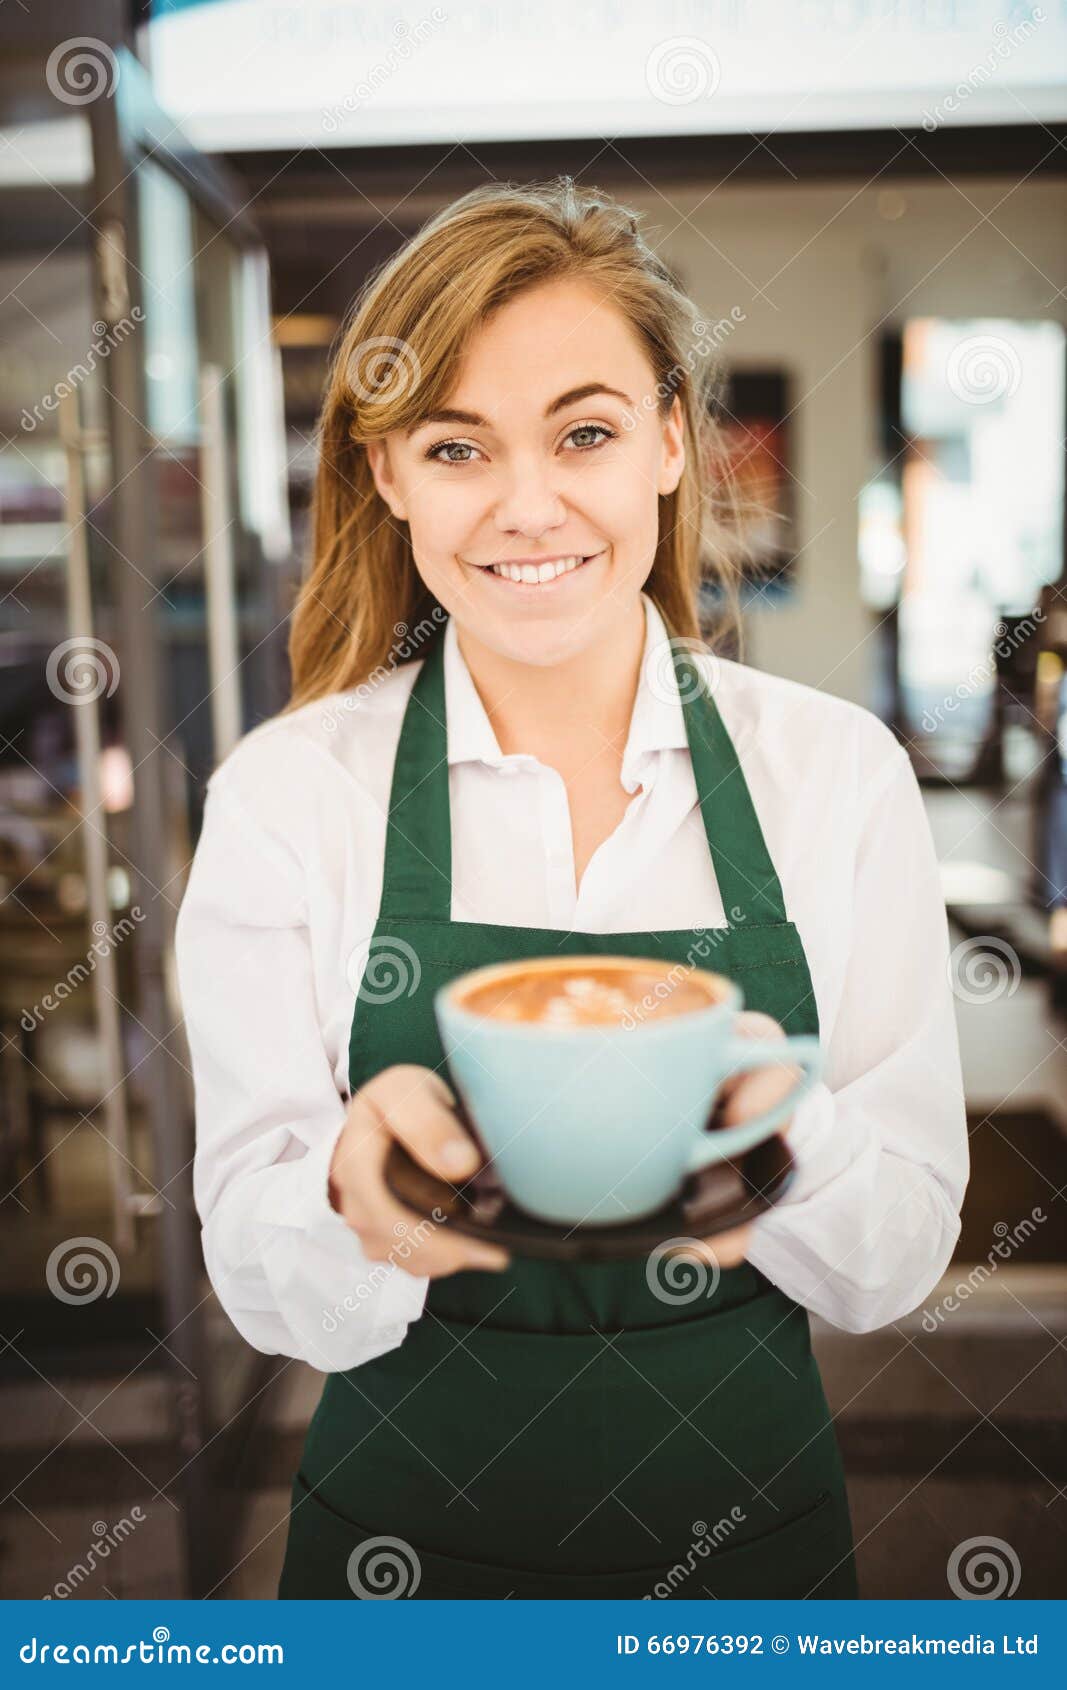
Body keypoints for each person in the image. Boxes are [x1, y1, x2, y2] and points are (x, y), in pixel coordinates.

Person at [174, 177, 969, 1601]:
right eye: (458, 445)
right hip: (401, 1573)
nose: (528, 505)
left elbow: (899, 1254)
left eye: (585, 432)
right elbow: (255, 1273)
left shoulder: (838, 778)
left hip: (753, 1566)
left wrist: (789, 1136)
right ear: (386, 471)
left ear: (671, 440)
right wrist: (357, 1198)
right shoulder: (291, 797)